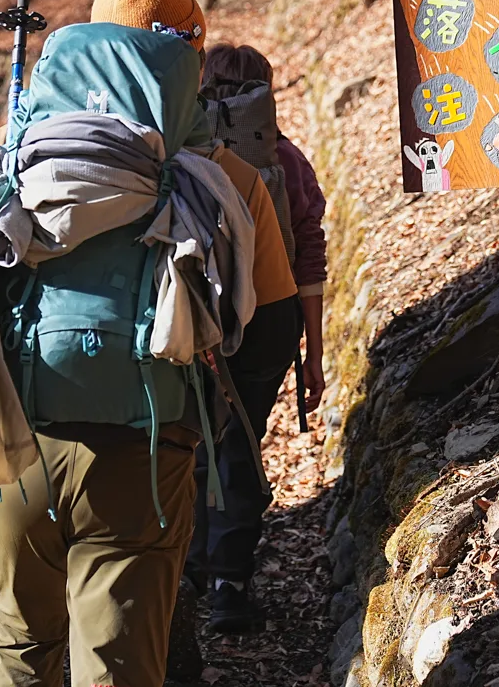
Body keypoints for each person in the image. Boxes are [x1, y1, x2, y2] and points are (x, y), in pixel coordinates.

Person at [0, 0, 294, 687]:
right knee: (117, 664)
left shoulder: (12, 159)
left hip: (13, 440)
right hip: (142, 448)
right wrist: (214, 434)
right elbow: (272, 329)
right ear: (184, 56)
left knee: (21, 638)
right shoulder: (223, 176)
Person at [185, 44, 328, 635]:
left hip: (198, 317)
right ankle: (230, 586)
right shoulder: (287, 162)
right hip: (271, 322)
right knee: (241, 444)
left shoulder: (182, 158)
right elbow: (310, 256)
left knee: (192, 444)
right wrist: (313, 356)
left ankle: (187, 569)